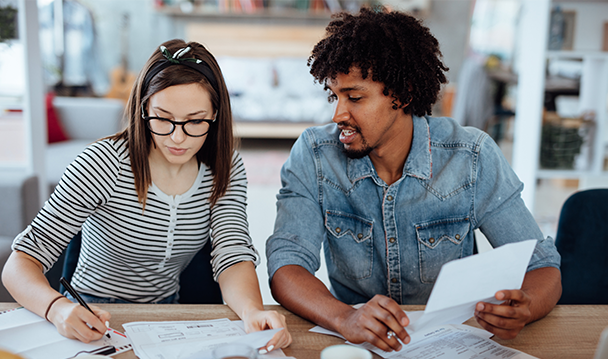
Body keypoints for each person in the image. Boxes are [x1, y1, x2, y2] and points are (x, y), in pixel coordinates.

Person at [266, 7, 561, 353]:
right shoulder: (315, 155)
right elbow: (286, 265)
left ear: (402, 95)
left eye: (355, 98)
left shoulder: (471, 157)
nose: (338, 115)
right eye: (335, 96)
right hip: (355, 344)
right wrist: (345, 318)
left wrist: (524, 306)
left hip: (452, 343)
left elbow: (542, 268)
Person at [1, 39, 291, 353]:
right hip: (87, 314)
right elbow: (19, 263)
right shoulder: (103, 163)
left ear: (217, 114)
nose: (177, 137)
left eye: (195, 121)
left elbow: (232, 253)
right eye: (163, 118)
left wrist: (252, 311)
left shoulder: (226, 167)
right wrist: (57, 309)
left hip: (167, 317)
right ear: (143, 109)